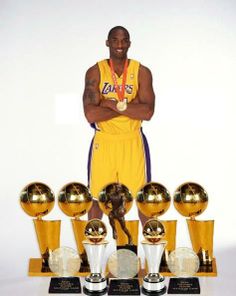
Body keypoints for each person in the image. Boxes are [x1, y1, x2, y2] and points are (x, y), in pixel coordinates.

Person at [83, 26, 155, 225]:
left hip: (132, 141)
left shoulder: (141, 72)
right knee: (97, 198)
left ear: (129, 43)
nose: (120, 44)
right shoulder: (95, 72)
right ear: (108, 42)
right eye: (115, 40)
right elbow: (90, 113)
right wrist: (129, 107)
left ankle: (153, 251)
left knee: (142, 198)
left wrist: (111, 104)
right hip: (104, 141)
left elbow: (147, 112)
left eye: (124, 40)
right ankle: (92, 250)